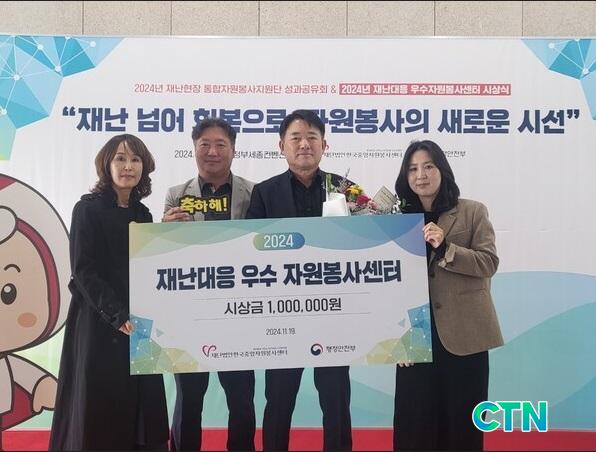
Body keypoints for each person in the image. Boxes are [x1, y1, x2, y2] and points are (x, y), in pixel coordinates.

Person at [49, 134, 169, 450]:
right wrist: (116, 314)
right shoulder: (86, 210)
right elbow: (83, 270)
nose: (128, 166)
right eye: (120, 158)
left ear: (144, 167)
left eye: (135, 159)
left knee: (142, 405)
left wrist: (168, 233)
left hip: (139, 324)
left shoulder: (143, 214)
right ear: (106, 164)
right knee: (99, 403)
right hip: (99, 321)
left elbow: (148, 266)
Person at [246, 109, 352, 451]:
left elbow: (365, 245)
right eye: (296, 138)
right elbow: (248, 251)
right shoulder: (264, 193)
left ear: (324, 145)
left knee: (336, 399)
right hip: (283, 315)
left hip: (333, 312)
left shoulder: (345, 190)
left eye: (312, 138)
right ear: (282, 146)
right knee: (278, 400)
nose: (304, 144)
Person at [392, 139, 503, 451]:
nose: (421, 175)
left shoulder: (472, 211)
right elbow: (388, 284)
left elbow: (488, 263)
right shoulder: (396, 220)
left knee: (462, 425)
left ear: (442, 169)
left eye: (428, 166)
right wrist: (394, 337)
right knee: (414, 425)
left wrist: (446, 248)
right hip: (414, 337)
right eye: (413, 169)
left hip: (464, 334)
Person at [163, 117, 256, 451]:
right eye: (205, 144)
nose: (212, 152)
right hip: (191, 315)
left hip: (238, 313)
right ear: (194, 149)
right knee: (189, 399)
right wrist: (163, 230)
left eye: (220, 144)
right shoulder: (176, 195)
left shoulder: (253, 193)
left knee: (242, 399)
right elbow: (165, 256)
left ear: (233, 150)